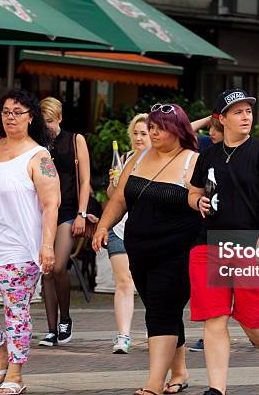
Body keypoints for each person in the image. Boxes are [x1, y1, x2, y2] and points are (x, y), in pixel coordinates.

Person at [188, 89, 259, 395]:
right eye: (238, 112)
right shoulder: (207, 155)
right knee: (214, 319)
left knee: (254, 322)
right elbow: (194, 191)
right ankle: (216, 389)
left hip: (251, 244)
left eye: (248, 111)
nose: (246, 116)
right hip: (207, 246)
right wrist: (197, 203)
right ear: (221, 119)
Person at [92, 103, 200, 395]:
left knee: (161, 310)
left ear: (177, 129)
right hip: (140, 250)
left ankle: (154, 383)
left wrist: (200, 204)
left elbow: (199, 201)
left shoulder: (192, 162)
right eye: (150, 127)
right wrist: (103, 226)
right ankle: (180, 372)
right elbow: (119, 200)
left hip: (178, 252)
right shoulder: (138, 159)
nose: (152, 132)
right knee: (162, 308)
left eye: (159, 127)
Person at [0, 89, 60, 394]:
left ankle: (16, 373)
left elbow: (51, 203)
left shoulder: (39, 156)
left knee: (17, 312)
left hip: (19, 250)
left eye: (18, 112)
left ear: (31, 117)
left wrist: (47, 245)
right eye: (5, 111)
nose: (10, 117)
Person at [38, 96, 91, 347]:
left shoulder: (74, 139)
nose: (46, 126)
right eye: (42, 121)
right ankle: (50, 328)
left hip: (69, 209)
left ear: (59, 118)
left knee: (59, 266)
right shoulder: (36, 144)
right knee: (46, 270)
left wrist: (82, 213)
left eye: (49, 121)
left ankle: (65, 318)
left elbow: (85, 180)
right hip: (43, 211)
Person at [105, 113, 150, 354]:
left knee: (149, 283)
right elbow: (113, 197)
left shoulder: (162, 162)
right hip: (121, 229)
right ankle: (123, 336)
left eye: (144, 133)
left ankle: (154, 329)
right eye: (136, 133)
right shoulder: (123, 159)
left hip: (148, 231)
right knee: (123, 282)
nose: (139, 137)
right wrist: (115, 182)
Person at [188, 115, 225, 353]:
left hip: (238, 234)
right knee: (211, 292)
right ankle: (209, 335)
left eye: (216, 129)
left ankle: (253, 329)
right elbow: (185, 131)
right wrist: (210, 118)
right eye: (210, 128)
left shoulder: (247, 151)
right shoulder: (205, 148)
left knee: (241, 296)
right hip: (207, 230)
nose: (211, 132)